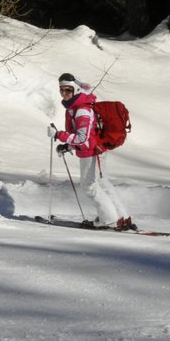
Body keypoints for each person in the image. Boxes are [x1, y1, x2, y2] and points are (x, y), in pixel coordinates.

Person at [53, 73, 134, 230]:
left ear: (76, 90)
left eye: (68, 90)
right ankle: (121, 218)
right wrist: (68, 146)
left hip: (91, 152)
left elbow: (82, 138)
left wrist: (59, 135)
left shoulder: (82, 110)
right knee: (102, 183)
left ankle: (108, 219)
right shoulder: (78, 107)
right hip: (95, 149)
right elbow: (89, 135)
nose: (64, 94)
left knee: (89, 186)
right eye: (61, 90)